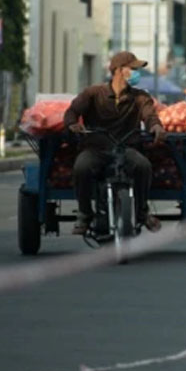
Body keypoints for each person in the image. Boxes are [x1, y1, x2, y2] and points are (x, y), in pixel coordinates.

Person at [63, 51, 167, 235]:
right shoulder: (93, 94)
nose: (137, 73)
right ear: (119, 70)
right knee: (81, 167)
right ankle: (85, 215)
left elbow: (151, 116)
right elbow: (71, 112)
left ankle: (142, 213)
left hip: (126, 149)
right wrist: (72, 124)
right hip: (97, 149)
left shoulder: (141, 97)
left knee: (143, 166)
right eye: (133, 69)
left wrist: (156, 127)